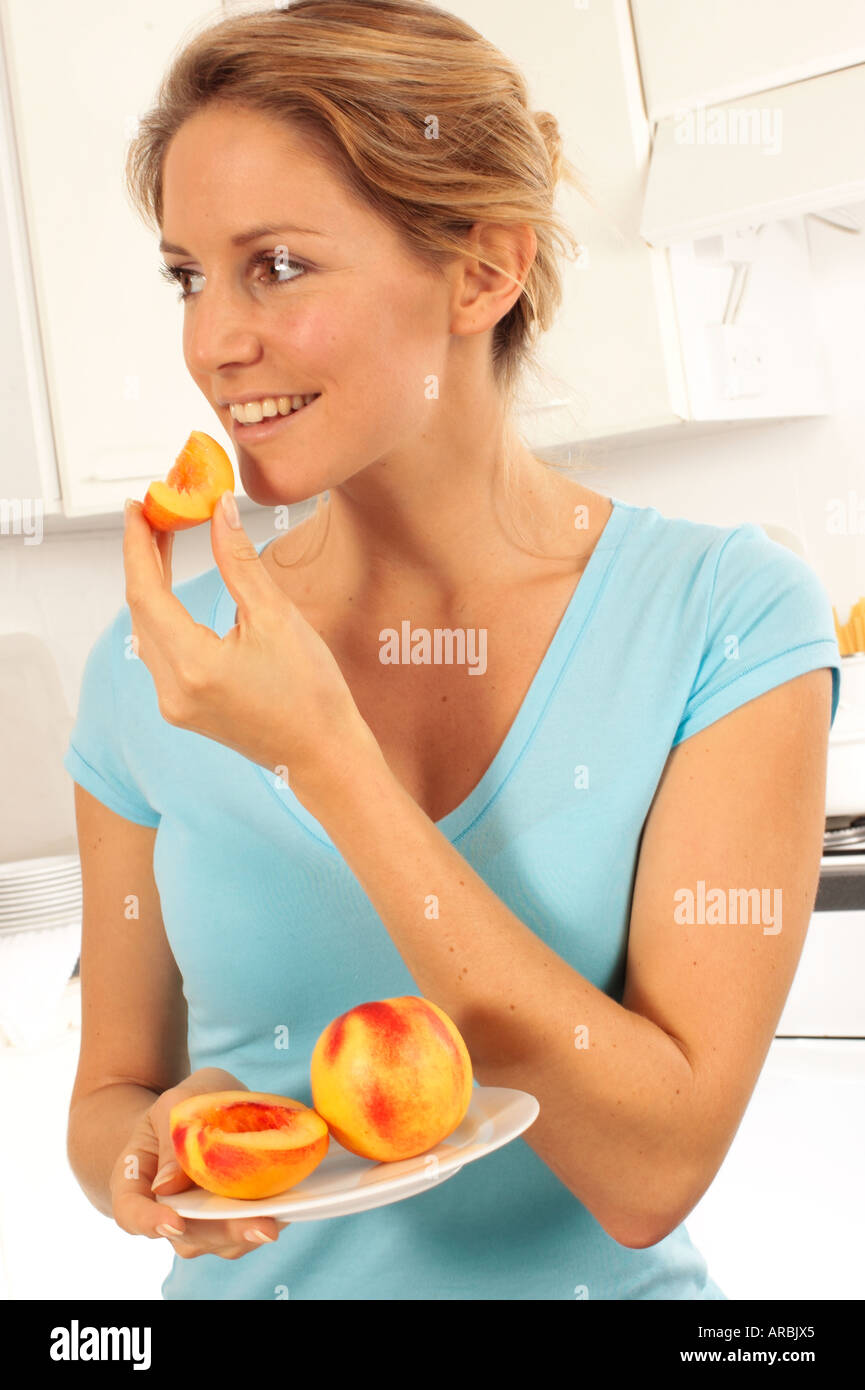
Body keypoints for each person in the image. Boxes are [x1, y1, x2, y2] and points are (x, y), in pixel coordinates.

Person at [63, 0, 841, 1300]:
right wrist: (136, 1161)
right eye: (189, 274)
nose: (212, 342)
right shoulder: (150, 659)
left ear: (479, 272)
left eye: (279, 265)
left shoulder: (727, 615)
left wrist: (325, 757)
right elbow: (110, 1091)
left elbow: (650, 1173)